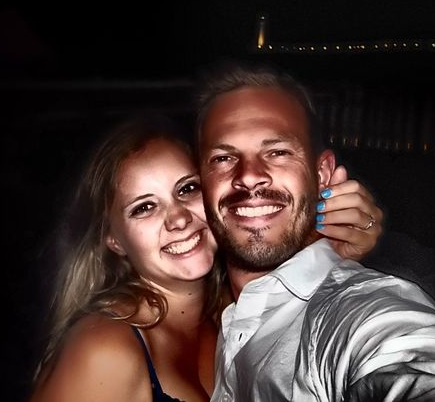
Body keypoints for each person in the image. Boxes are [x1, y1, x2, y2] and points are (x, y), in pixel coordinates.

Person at [196, 60, 435, 401]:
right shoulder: (206, 302)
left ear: (322, 174)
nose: (249, 176)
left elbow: (412, 360)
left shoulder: (356, 312)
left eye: (278, 152)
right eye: (223, 158)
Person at [29, 113, 383, 402]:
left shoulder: (235, 310)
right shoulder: (104, 348)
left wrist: (335, 248)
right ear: (114, 240)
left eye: (187, 189)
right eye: (145, 207)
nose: (179, 219)